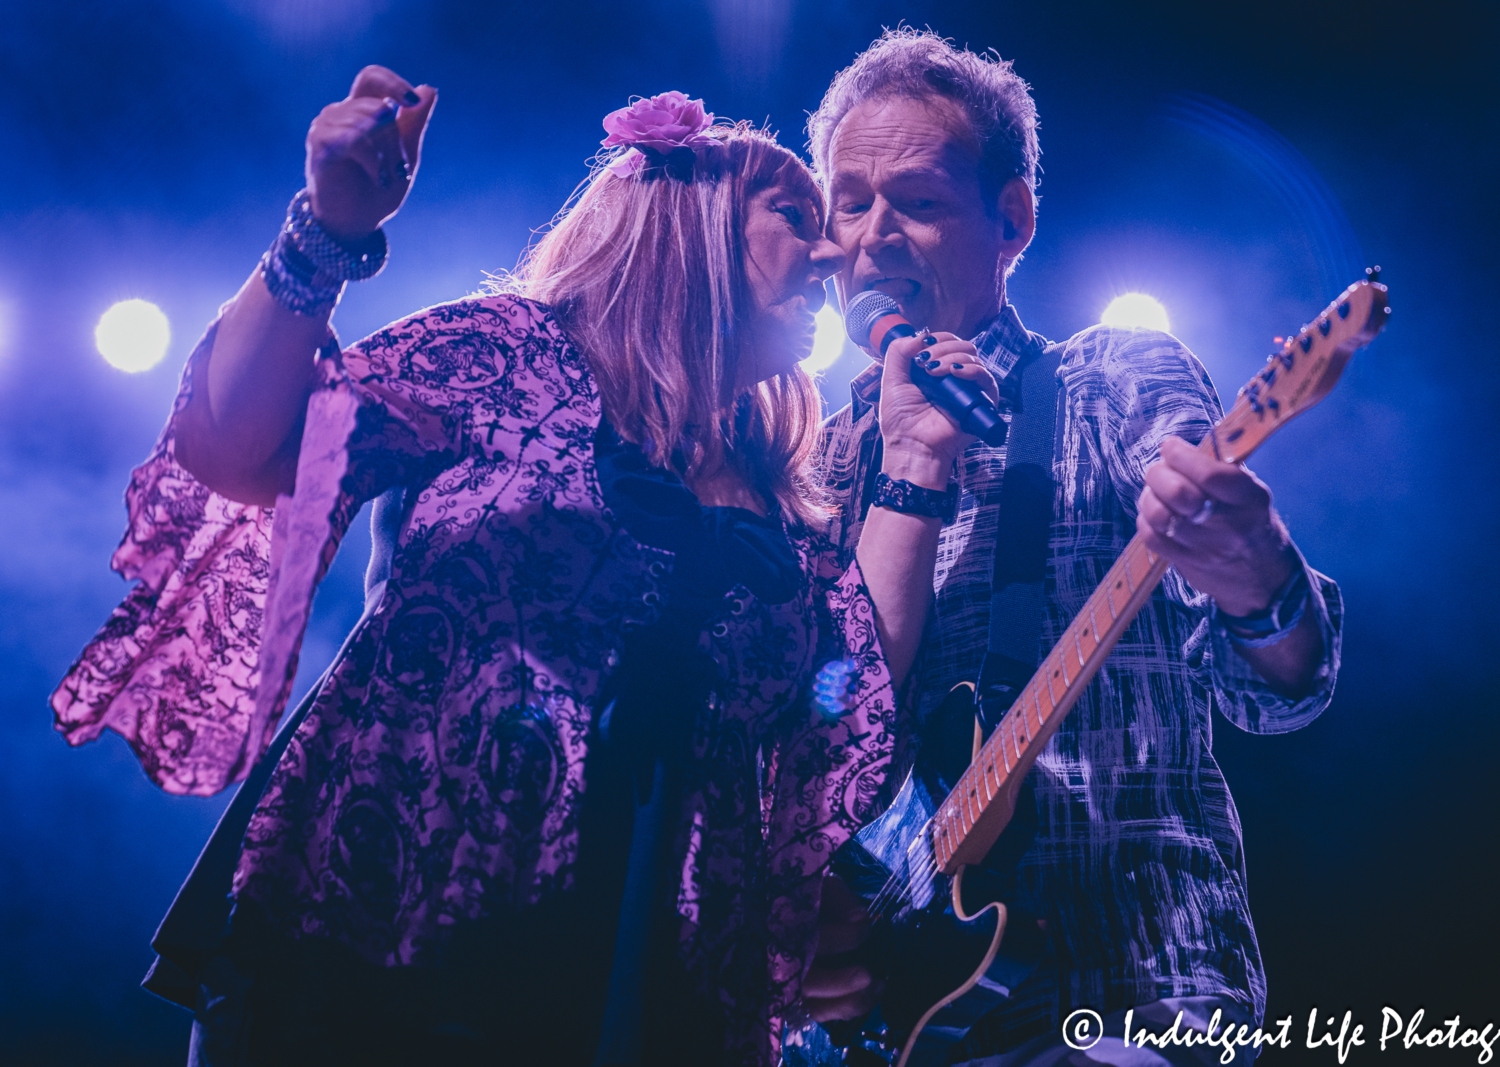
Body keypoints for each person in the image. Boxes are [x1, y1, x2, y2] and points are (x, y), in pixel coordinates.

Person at [51, 67, 998, 1067]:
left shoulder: (776, 487)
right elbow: (239, 450)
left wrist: (917, 456)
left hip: (646, 967)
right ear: (689, 222)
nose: (833, 252)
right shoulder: (510, 351)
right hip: (395, 925)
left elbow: (846, 701)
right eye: (794, 214)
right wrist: (325, 232)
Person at [793, 30, 1344, 1067]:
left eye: (917, 200)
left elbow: (1279, 691)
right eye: (849, 203)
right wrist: (803, 923)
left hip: (1132, 986)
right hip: (895, 1023)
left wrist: (1255, 574)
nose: (873, 236)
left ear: (1013, 219)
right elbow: (806, 744)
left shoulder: (1111, 379)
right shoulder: (814, 466)